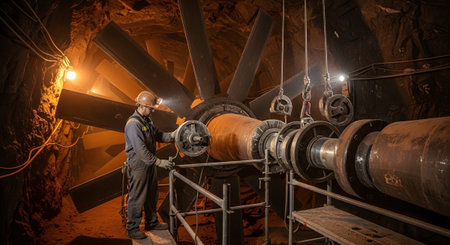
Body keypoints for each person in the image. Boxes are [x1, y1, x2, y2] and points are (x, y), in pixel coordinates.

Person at [124, 91, 176, 240]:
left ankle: (151, 222)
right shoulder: (133, 124)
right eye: (151, 108)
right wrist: (159, 162)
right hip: (139, 164)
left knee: (152, 194)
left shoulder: (147, 120)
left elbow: (160, 136)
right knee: (138, 196)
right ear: (142, 106)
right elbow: (140, 150)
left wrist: (174, 135)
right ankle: (132, 228)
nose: (153, 110)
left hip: (149, 162)